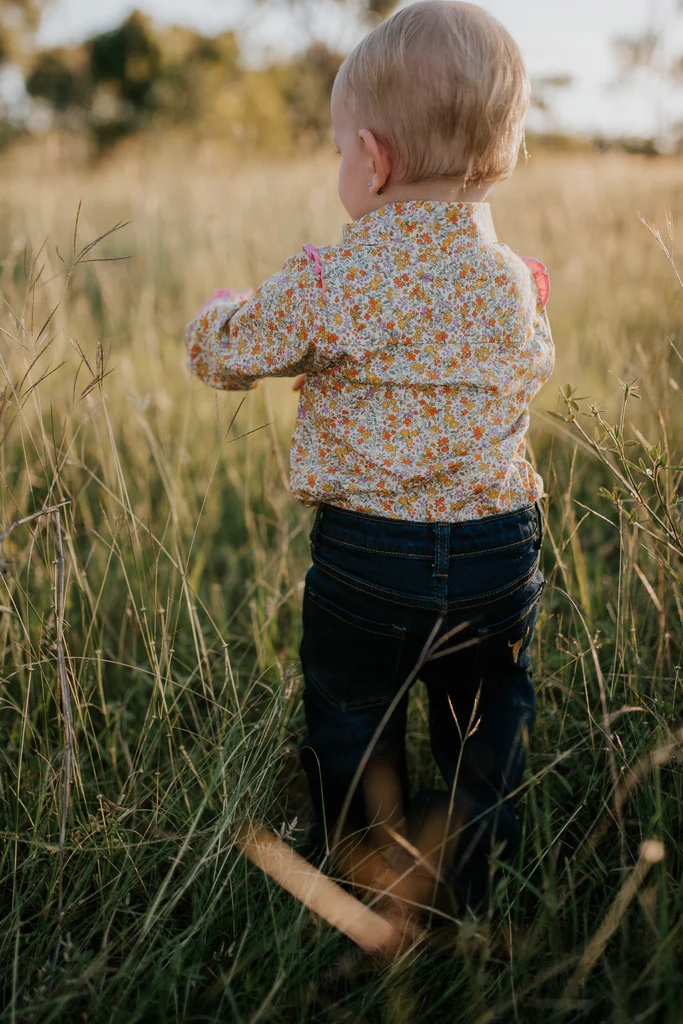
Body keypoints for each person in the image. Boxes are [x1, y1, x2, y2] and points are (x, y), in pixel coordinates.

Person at [185, 0, 554, 916]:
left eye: (340, 148)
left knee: (352, 713)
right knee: (487, 715)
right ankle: (467, 874)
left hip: (369, 559)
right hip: (496, 553)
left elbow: (225, 356)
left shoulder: (335, 280)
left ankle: (365, 869)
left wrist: (220, 311)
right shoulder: (513, 280)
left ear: (374, 158)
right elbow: (528, 370)